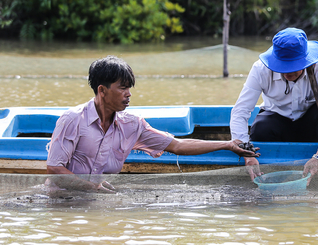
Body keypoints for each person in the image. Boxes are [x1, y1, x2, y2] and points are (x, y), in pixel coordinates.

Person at [46, 55, 260, 193]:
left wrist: (227, 144)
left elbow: (177, 145)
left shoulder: (132, 125)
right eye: (122, 88)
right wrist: (93, 188)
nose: (128, 95)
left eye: (129, 88)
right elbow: (54, 168)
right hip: (60, 201)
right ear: (102, 90)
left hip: (98, 199)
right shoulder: (73, 119)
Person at [230, 27, 318, 182]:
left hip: (310, 125)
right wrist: (246, 154)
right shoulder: (260, 69)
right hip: (277, 121)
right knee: (260, 129)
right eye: (282, 67)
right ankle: (266, 171)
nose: (287, 72)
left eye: (293, 66)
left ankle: (316, 162)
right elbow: (240, 112)